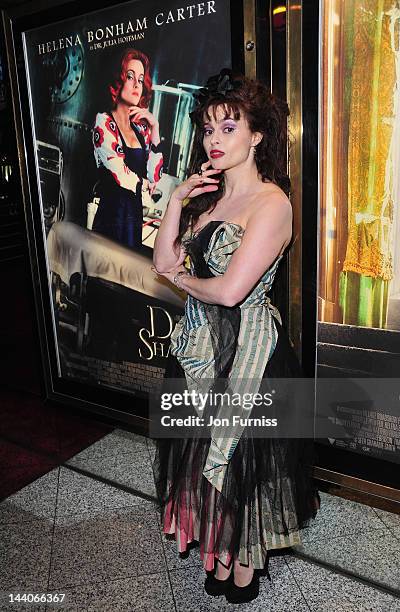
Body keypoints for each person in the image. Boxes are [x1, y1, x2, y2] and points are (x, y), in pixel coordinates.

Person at [151, 68, 320, 604]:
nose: (215, 140)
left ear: (257, 135)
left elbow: (228, 292)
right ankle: (219, 551)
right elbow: (162, 262)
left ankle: (245, 558)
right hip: (200, 350)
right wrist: (177, 203)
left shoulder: (272, 203)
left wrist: (179, 277)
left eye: (229, 128)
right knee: (203, 457)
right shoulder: (208, 201)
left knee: (243, 461)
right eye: (207, 129)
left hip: (248, 355)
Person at [92, 48, 163, 249]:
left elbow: (154, 176)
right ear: (119, 80)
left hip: (133, 221)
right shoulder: (103, 121)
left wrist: (155, 128)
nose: (136, 85)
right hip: (111, 218)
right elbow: (121, 175)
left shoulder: (141, 128)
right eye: (130, 76)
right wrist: (146, 188)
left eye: (140, 80)